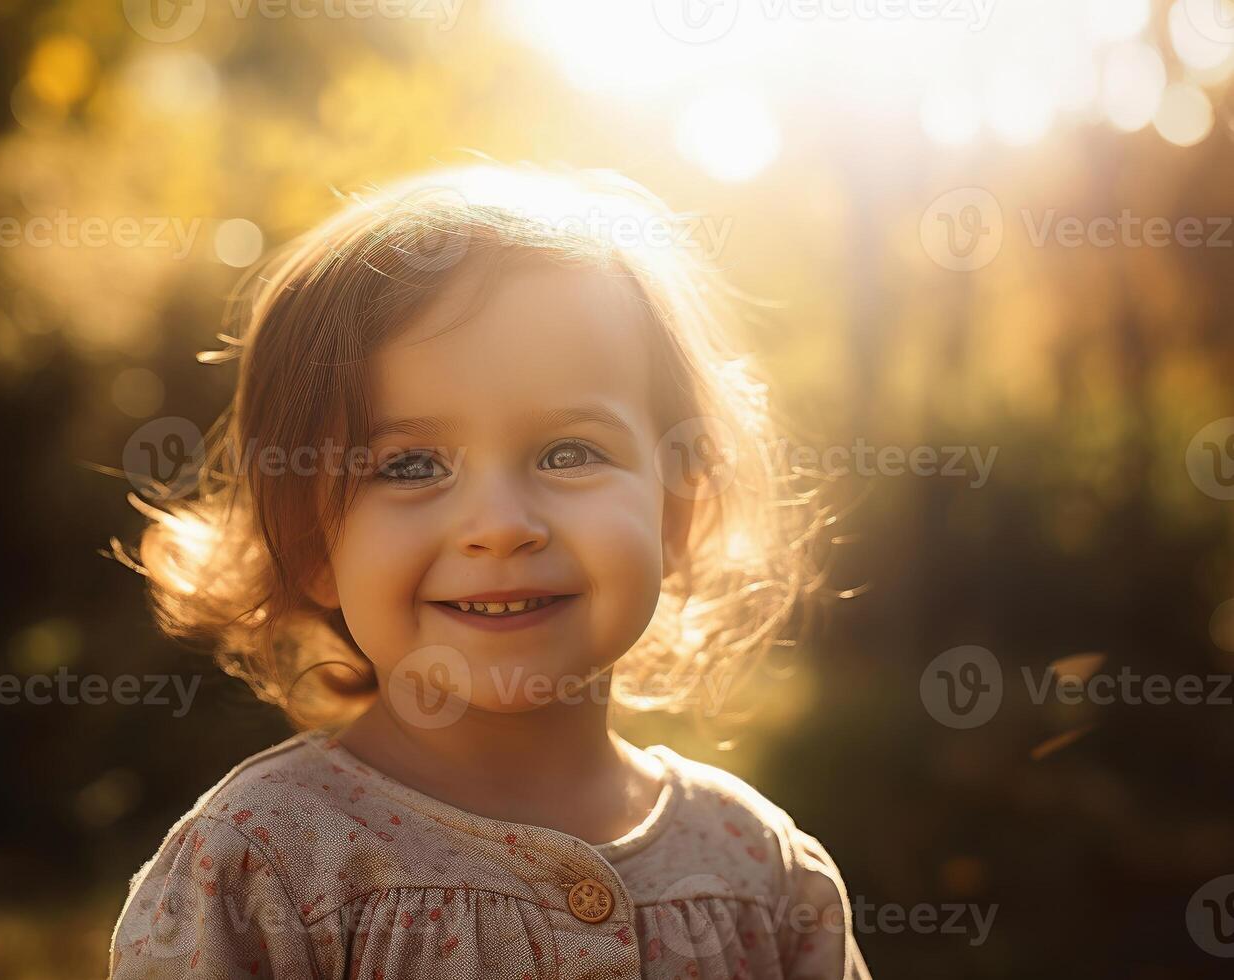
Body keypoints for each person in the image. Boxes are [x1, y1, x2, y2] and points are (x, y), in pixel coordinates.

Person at [107, 162, 871, 979]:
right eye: (409, 465)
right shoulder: (262, 871)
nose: (500, 527)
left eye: (568, 452)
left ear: (676, 513)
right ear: (310, 543)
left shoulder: (763, 875)